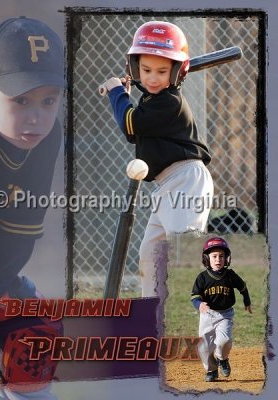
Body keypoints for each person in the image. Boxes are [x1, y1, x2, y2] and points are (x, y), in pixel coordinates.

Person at [0, 16, 65, 399]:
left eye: (48, 100)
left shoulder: (45, 136)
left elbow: (21, 223)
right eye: (20, 99)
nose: (36, 116)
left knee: (23, 337)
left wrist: (2, 286)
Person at [101, 20, 214, 297]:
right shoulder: (152, 102)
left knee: (179, 255)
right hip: (167, 184)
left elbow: (130, 124)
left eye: (162, 71)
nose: (152, 78)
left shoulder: (169, 102)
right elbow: (134, 134)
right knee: (151, 256)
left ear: (177, 71)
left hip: (186, 179)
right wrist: (126, 95)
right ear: (135, 68)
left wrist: (117, 93)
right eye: (146, 70)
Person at [191, 237, 252, 382]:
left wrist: (247, 301)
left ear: (227, 258)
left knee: (224, 341)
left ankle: (222, 358)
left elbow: (243, 287)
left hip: (225, 314)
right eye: (214, 256)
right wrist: (199, 305)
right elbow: (194, 297)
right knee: (204, 347)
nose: (218, 259)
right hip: (207, 315)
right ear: (206, 258)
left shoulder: (230, 275)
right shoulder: (202, 278)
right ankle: (211, 371)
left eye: (221, 256)